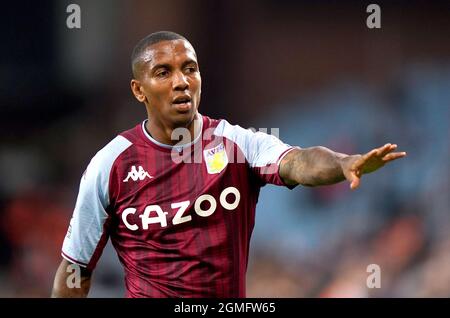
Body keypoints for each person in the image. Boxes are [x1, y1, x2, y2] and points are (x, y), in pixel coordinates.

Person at [51, 31, 406, 298]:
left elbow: (298, 161)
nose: (181, 82)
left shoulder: (238, 143)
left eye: (189, 69)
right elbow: (75, 268)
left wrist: (344, 163)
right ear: (138, 90)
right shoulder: (110, 165)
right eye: (163, 72)